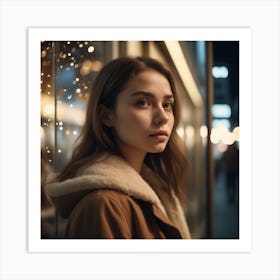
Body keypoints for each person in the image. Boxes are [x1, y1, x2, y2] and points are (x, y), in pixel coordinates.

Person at [45, 56, 191, 239]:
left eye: (167, 105)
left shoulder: (156, 189)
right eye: (143, 102)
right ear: (106, 116)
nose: (163, 117)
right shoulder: (103, 205)